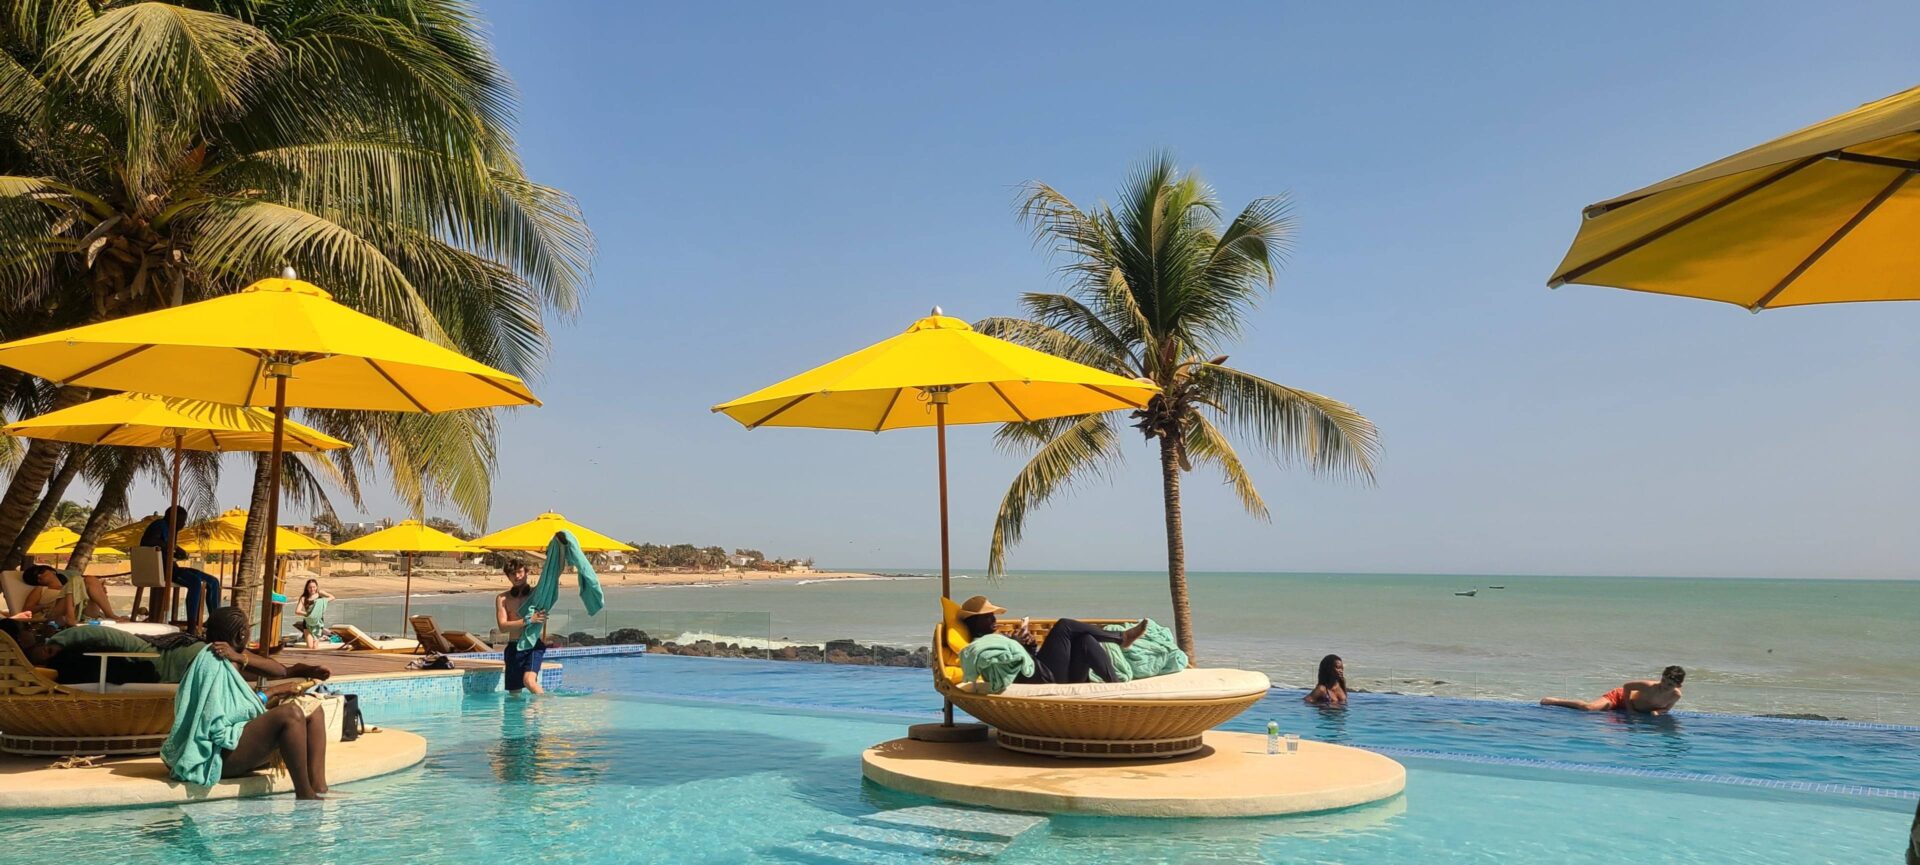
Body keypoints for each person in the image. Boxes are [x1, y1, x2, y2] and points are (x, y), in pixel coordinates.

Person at [165, 607, 334, 798]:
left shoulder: (232, 657)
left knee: (313, 710)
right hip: (217, 754)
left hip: (234, 744)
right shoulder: (212, 663)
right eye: (247, 629)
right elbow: (220, 721)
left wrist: (303, 669)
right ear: (241, 634)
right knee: (291, 714)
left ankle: (320, 788)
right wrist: (274, 692)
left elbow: (278, 671)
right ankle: (305, 795)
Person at [956, 595, 1147, 685]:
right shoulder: (982, 644)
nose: (994, 619)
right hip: (1045, 677)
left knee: (1085, 640)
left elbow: (1023, 662)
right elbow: (1009, 667)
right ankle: (1121, 638)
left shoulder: (994, 639)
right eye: (987, 616)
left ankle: (1115, 686)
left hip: (1049, 673)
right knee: (1064, 626)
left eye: (993, 615)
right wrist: (1016, 644)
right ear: (974, 621)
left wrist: (1029, 645)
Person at [140, 506, 224, 630]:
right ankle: (191, 625)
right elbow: (148, 542)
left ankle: (215, 620)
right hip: (165, 570)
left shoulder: (171, 531)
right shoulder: (160, 525)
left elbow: (165, 548)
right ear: (173, 518)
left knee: (213, 581)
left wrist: (176, 551)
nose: (183, 524)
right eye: (182, 521)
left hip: (173, 567)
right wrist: (174, 547)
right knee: (194, 582)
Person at [494, 561, 548, 695]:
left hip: (532, 645)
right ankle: (518, 716)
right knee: (514, 693)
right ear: (508, 576)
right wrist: (528, 620)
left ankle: (546, 711)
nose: (517, 576)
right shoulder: (502, 598)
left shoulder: (536, 594)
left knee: (529, 681)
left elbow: (550, 578)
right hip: (513, 647)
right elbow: (502, 626)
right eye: (513, 574)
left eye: (520, 572)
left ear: (527, 573)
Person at [1540, 666, 1686, 715]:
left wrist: (1657, 712)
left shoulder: (1675, 695)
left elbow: (1666, 709)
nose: (1664, 685)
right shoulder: (1648, 685)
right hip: (1620, 697)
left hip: (1633, 707)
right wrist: (1630, 709)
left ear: (1678, 686)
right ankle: (1557, 701)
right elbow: (1626, 687)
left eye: (1669, 684)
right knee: (1589, 708)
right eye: (1664, 681)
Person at [291, 579, 335, 649]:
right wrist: (309, 614)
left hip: (318, 623)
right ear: (307, 588)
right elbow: (297, 611)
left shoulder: (320, 597)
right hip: (307, 623)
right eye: (310, 587)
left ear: (317, 587)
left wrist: (323, 593)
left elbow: (332, 597)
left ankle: (315, 659)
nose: (312, 589)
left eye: (314, 587)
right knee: (309, 646)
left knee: (315, 646)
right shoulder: (304, 598)